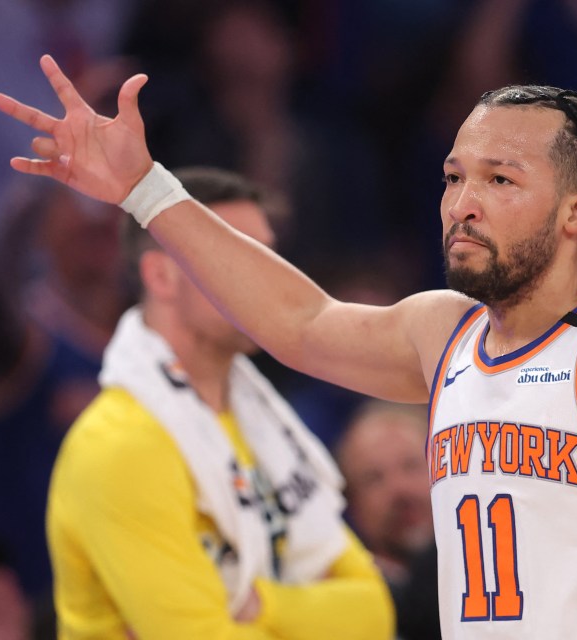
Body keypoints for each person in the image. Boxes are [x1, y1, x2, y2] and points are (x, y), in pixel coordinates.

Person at [0, 55, 577, 639]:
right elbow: (298, 323)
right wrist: (144, 189)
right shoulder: (441, 333)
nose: (463, 202)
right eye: (455, 176)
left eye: (500, 178)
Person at [43, 166, 394, 639]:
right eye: (237, 256)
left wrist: (260, 605)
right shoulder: (121, 444)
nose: (269, 281)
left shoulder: (266, 421)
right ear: (161, 277)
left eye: (269, 258)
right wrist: (313, 615)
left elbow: (373, 613)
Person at [335, 400, 441, 640]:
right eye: (374, 478)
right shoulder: (348, 606)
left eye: (411, 465)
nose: (399, 489)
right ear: (352, 505)